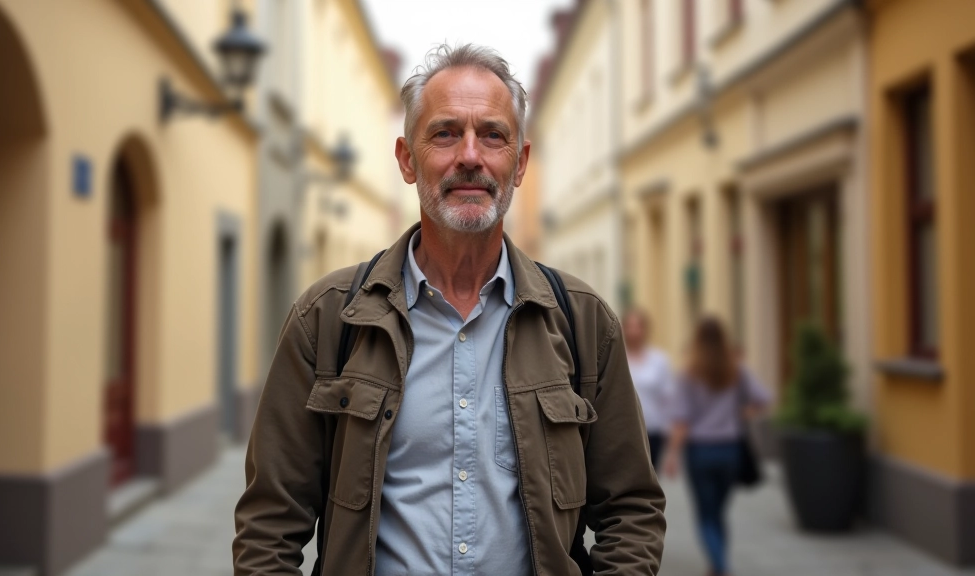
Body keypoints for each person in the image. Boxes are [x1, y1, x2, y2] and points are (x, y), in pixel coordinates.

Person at [233, 44, 666, 575]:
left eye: (493, 135)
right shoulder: (327, 319)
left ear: (520, 162)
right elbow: (269, 525)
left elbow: (632, 509)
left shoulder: (583, 322)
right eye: (444, 133)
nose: (470, 156)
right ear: (406, 159)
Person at [663, 317, 769, 576]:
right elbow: (764, 398)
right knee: (719, 512)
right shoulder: (736, 370)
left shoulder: (689, 374)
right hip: (730, 451)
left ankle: (720, 566)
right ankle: (717, 563)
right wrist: (741, 414)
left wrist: (672, 454)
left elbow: (681, 421)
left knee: (706, 514)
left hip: (700, 452)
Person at [623, 308, 675, 469]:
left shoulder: (659, 360)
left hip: (652, 430)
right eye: (629, 326)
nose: (634, 331)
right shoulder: (617, 358)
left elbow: (667, 398)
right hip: (624, 431)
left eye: (638, 326)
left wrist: (670, 437)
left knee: (651, 475)